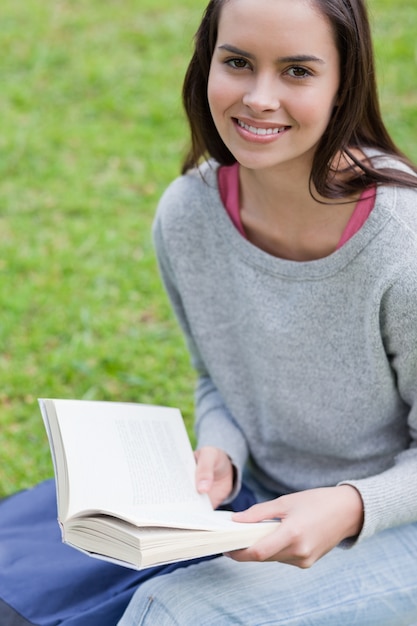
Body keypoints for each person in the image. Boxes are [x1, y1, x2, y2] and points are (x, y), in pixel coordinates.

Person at [118, 0, 417, 624]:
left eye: (298, 71)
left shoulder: (402, 243)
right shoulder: (188, 215)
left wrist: (348, 506)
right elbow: (216, 377)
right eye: (238, 62)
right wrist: (220, 451)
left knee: (174, 614)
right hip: (267, 510)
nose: (258, 97)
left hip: (399, 516)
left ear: (343, 87)